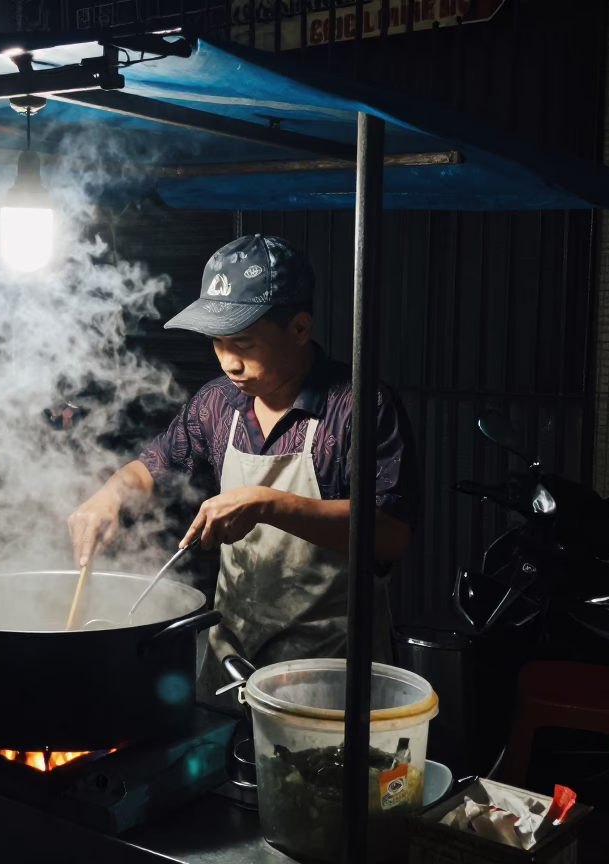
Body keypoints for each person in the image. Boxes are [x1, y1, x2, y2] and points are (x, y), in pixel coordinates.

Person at [68, 235, 418, 706]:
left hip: (329, 669)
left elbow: (392, 534)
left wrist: (270, 504)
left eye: (244, 343)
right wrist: (109, 494)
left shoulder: (359, 406)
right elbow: (152, 465)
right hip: (231, 658)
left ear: (298, 328)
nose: (229, 361)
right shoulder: (217, 402)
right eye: (217, 343)